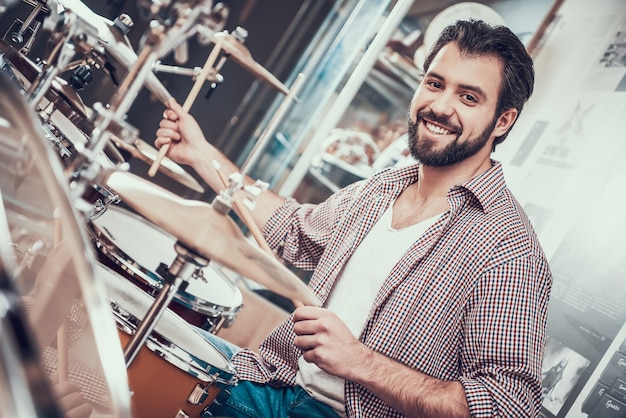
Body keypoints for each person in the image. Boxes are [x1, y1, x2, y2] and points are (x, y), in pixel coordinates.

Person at [155, 19, 552, 418]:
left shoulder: (509, 249)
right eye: (435, 84)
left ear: (503, 121)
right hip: (273, 382)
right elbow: (291, 229)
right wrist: (199, 153)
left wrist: (359, 361)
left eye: (468, 97)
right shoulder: (380, 189)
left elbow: (508, 405)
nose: (441, 106)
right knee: (149, 340)